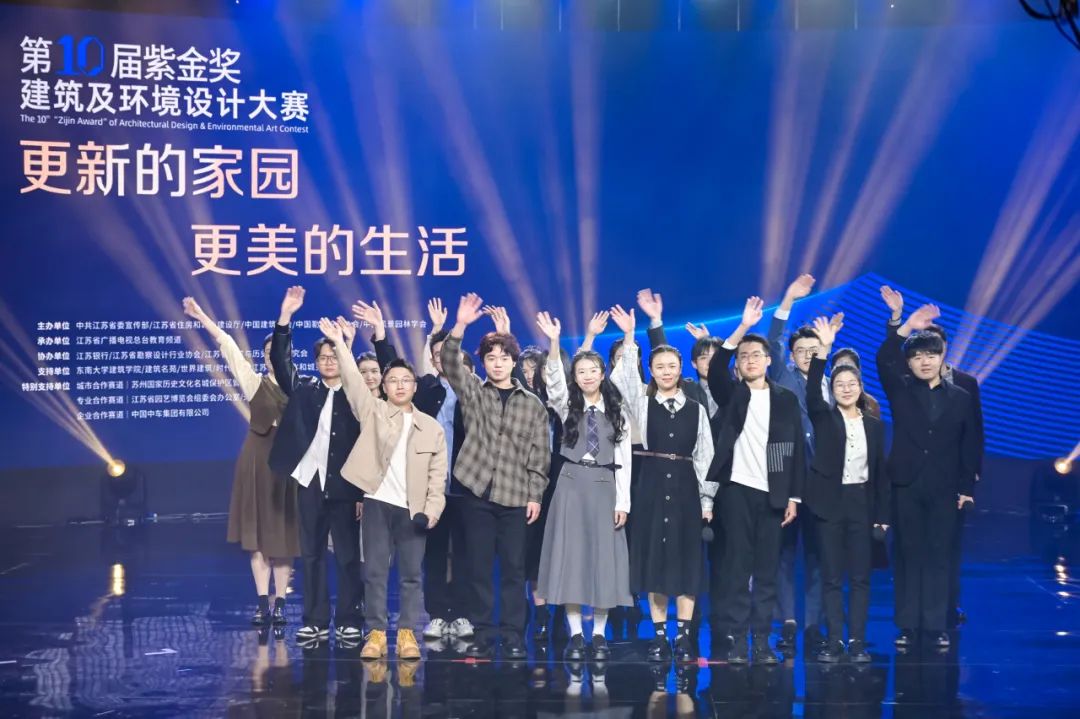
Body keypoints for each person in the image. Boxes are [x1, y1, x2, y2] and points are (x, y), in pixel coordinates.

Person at [319, 310, 448, 662]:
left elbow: (437, 478)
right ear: (385, 386)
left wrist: (432, 512)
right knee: (374, 573)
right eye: (393, 381)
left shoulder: (432, 428)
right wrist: (340, 344)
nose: (400, 385)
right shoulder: (373, 411)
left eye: (406, 380)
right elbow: (352, 382)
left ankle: (407, 634)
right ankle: (375, 633)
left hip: (413, 510)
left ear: (415, 386)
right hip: (377, 503)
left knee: (411, 575)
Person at [439, 293, 552, 659]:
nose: (498, 363)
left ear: (513, 362)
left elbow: (540, 454)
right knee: (479, 568)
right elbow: (449, 361)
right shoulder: (474, 391)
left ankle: (514, 635)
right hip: (477, 492)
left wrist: (535, 494)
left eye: (504, 357)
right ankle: (484, 633)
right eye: (491, 357)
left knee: (515, 570)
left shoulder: (532, 404)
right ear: (484, 362)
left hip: (516, 496)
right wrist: (460, 324)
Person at [608, 304, 716, 663]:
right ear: (651, 370)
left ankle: (683, 636)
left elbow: (705, 456)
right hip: (650, 487)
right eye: (659, 367)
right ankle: (658, 635)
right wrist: (629, 336)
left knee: (686, 562)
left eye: (672, 366)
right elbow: (623, 379)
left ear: (680, 368)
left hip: (686, 489)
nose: (666, 371)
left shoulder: (696, 408)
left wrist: (707, 500)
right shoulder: (641, 402)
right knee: (654, 561)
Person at [183, 297, 298, 626]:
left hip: (288, 464)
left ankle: (280, 603)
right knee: (258, 537)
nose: (273, 357)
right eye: (268, 352)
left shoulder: (301, 386)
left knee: (283, 538)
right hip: (257, 460)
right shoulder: (253, 381)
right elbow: (228, 345)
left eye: (278, 351)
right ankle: (262, 602)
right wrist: (201, 316)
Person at [706, 297, 805, 665]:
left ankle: (762, 641)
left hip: (773, 492)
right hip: (735, 490)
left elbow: (794, 450)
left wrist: (794, 496)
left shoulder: (785, 399)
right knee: (737, 566)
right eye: (743, 356)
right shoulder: (733, 394)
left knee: (766, 569)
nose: (749, 360)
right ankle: (736, 640)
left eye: (756, 355)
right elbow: (717, 367)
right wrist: (743, 327)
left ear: (768, 361)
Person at [876, 299, 979, 649]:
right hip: (906, 483)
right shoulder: (900, 390)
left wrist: (966, 487)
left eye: (931, 355)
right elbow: (884, 358)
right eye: (918, 356)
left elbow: (970, 444)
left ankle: (936, 625)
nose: (925, 361)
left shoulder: (962, 397)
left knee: (938, 555)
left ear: (941, 357)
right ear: (909, 362)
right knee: (908, 554)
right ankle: (907, 624)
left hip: (944, 487)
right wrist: (905, 325)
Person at [267, 286, 365, 645]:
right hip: (310, 482)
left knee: (348, 557)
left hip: (345, 486)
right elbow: (281, 364)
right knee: (311, 555)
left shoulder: (356, 395)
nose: (328, 362)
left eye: (334, 356)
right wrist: (285, 317)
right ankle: (315, 620)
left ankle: (350, 619)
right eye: (323, 357)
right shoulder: (305, 390)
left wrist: (361, 492)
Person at [533, 311, 633, 661]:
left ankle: (600, 634)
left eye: (593, 370)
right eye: (581, 372)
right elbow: (553, 380)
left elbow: (625, 460)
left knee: (603, 560)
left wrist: (623, 502)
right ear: (575, 377)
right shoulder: (568, 405)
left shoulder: (617, 410)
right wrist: (554, 341)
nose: (588, 376)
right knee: (572, 559)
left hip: (605, 485)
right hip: (571, 485)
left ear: (603, 374)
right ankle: (576, 634)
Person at [803, 316, 890, 663]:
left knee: (860, 578)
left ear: (861, 387)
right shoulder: (824, 417)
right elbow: (812, 391)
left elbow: (880, 474)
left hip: (862, 504)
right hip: (829, 504)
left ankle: (857, 642)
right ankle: (835, 640)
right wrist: (823, 349)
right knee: (831, 578)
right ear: (833, 389)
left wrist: (882, 516)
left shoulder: (875, 425)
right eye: (839, 384)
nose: (846, 388)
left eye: (852, 383)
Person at [766, 274, 830, 652]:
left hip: (822, 480)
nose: (807, 354)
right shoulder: (782, 376)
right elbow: (773, 340)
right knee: (783, 555)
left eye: (814, 349)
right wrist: (788, 298)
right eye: (801, 350)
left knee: (820, 556)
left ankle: (814, 624)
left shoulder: (834, 382)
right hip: (785, 476)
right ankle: (787, 621)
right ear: (792, 355)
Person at [414, 299, 475, 643]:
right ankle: (437, 614)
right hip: (432, 486)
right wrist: (433, 331)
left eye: (447, 354)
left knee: (465, 552)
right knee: (434, 553)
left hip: (466, 485)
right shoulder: (425, 389)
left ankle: (463, 613)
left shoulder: (473, 390)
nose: (442, 359)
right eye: (436, 355)